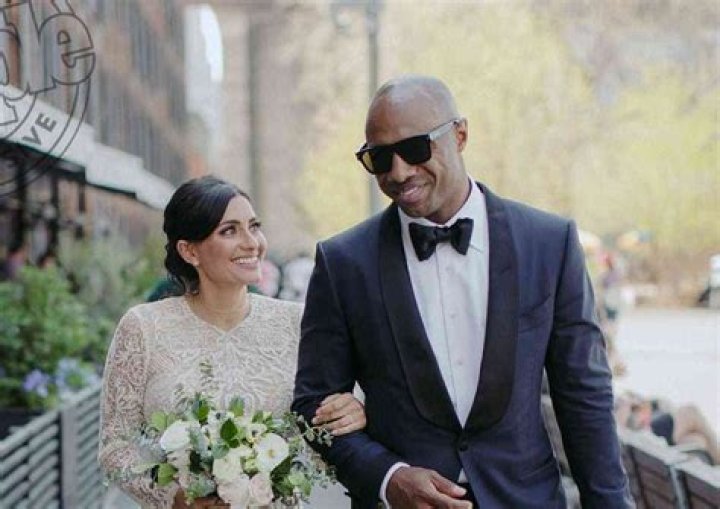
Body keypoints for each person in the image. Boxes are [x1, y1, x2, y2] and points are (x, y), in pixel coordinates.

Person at [293, 75, 632, 508]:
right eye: (379, 158)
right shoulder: (343, 262)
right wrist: (388, 478)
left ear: (460, 135)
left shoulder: (549, 243)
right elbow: (313, 405)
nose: (399, 172)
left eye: (415, 149)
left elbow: (584, 396)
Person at [99, 176, 367, 509]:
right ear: (189, 251)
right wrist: (173, 498)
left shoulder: (298, 323)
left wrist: (353, 412)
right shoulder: (142, 327)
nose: (252, 242)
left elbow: (327, 429)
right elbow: (115, 447)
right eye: (229, 231)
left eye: (254, 227)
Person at [615, 392, 719, 465]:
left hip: (653, 447)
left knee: (697, 439)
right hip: (653, 442)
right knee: (691, 411)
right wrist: (627, 406)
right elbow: (623, 425)